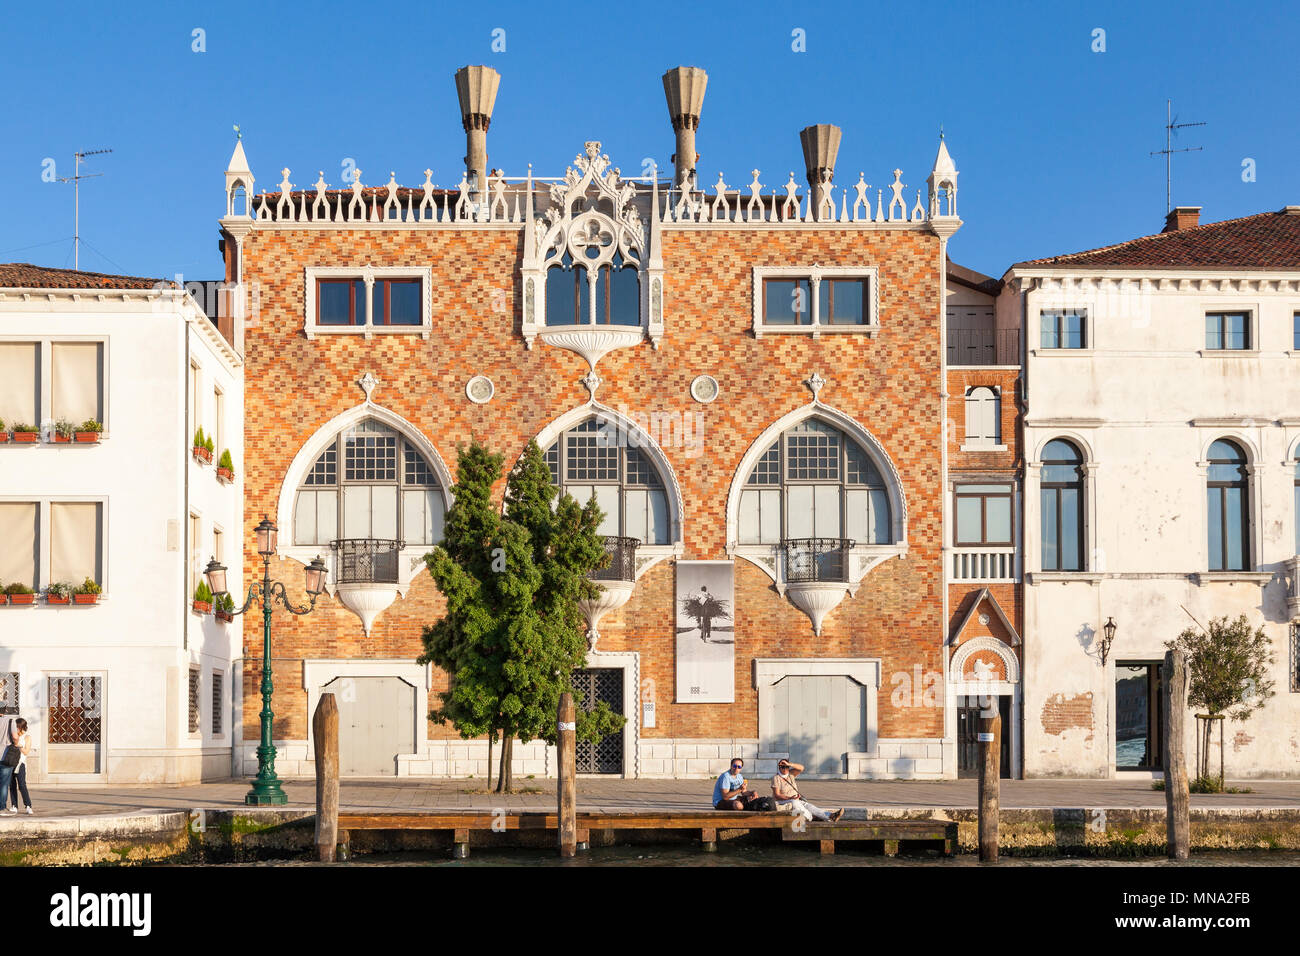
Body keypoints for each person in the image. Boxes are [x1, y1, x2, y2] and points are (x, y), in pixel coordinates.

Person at [771, 758, 843, 822]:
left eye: (786, 767)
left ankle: (831, 816)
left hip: (795, 799)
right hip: (783, 802)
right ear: (779, 767)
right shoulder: (776, 778)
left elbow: (801, 768)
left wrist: (789, 764)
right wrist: (790, 798)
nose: (784, 769)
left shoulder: (791, 774)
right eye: (782, 767)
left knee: (810, 806)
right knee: (795, 803)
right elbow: (777, 795)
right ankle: (812, 817)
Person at [8, 719, 31, 814]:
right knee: (12, 785)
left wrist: (18, 745)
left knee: (22, 785)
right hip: (10, 763)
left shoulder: (27, 737)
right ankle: (14, 806)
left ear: (22, 727)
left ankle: (28, 806)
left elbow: (26, 752)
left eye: (17, 727)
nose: (16, 728)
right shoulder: (13, 736)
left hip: (20, 764)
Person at [0, 715, 18, 810]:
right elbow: (15, 737)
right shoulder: (10, 721)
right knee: (3, 783)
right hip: (5, 756)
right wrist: (16, 744)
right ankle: (1, 807)